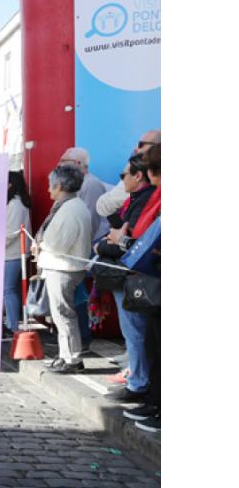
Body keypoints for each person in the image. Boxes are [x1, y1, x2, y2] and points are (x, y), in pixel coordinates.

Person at [100, 153, 158, 408]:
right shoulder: (139, 199)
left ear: (140, 175)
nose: (121, 179)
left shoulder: (148, 200)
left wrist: (110, 243)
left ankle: (140, 384)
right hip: (135, 275)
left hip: (141, 276)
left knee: (138, 333)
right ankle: (140, 382)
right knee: (135, 333)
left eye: (124, 174)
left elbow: (135, 245)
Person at [32, 164, 92, 374]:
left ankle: (72, 358)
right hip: (64, 267)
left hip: (63, 268)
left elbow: (57, 244)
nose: (49, 190)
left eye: (51, 186)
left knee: (63, 314)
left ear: (59, 185)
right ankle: (66, 354)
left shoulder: (69, 209)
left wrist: (40, 243)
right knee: (61, 314)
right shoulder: (71, 205)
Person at [4, 171, 32, 335]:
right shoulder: (18, 202)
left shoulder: (14, 204)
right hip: (14, 253)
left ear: (10, 185)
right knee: (10, 289)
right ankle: (11, 323)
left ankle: (13, 326)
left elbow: (10, 232)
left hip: (11, 253)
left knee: (8, 289)